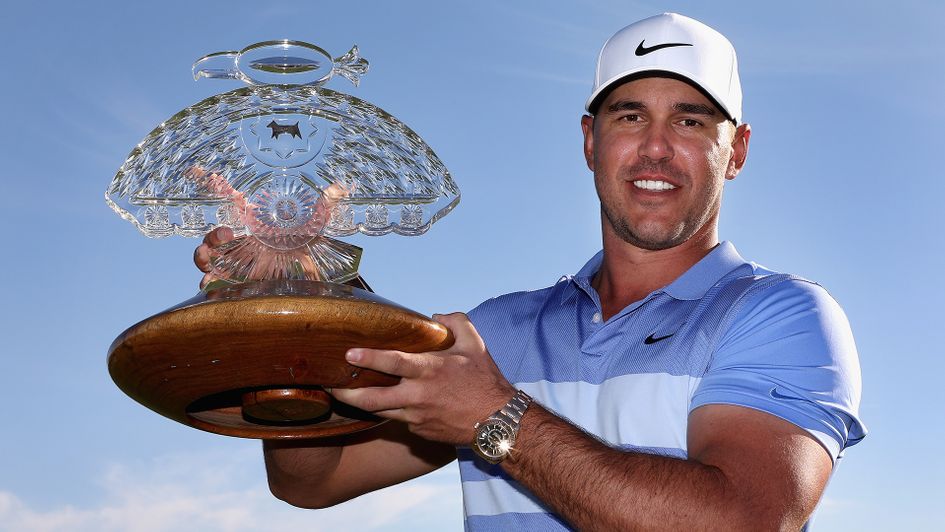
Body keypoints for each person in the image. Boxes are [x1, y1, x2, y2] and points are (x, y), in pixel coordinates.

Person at [195, 12, 865, 530]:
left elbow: (743, 521)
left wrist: (495, 414)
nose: (655, 149)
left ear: (736, 150)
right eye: (629, 116)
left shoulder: (780, 314)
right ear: (589, 140)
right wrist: (292, 319)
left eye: (690, 122)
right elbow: (312, 480)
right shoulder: (494, 334)